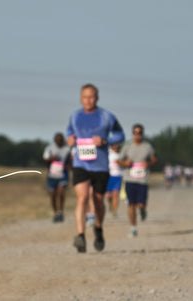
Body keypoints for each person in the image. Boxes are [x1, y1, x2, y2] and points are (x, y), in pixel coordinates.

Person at [66, 83, 125, 253]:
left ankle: (98, 229)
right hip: (80, 164)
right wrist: (70, 139)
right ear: (80, 98)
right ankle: (81, 236)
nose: (88, 100)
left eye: (91, 96)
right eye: (85, 96)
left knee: (98, 201)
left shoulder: (107, 116)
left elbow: (120, 135)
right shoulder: (75, 116)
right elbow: (69, 132)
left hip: (100, 166)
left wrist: (106, 141)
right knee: (82, 198)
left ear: (97, 98)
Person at [118, 124, 156, 238]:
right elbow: (119, 160)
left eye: (140, 132)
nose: (138, 135)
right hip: (129, 179)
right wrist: (125, 163)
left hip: (143, 180)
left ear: (142, 134)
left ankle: (143, 210)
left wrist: (148, 163)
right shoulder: (127, 147)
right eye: (135, 132)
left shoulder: (147, 147)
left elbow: (154, 159)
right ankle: (133, 228)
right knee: (131, 204)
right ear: (132, 133)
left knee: (140, 204)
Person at [42, 132, 72, 222]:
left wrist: (69, 166)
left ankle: (61, 212)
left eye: (61, 140)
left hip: (63, 175)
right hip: (52, 175)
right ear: (55, 141)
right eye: (58, 140)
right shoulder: (49, 148)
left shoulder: (67, 149)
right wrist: (51, 159)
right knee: (53, 195)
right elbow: (44, 160)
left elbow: (72, 159)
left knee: (61, 192)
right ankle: (55, 213)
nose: (60, 142)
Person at [105, 144, 123, 217]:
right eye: (114, 145)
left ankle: (114, 210)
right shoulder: (108, 153)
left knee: (116, 194)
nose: (115, 147)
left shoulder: (121, 154)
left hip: (118, 176)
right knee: (108, 196)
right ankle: (110, 203)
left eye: (117, 145)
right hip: (108, 176)